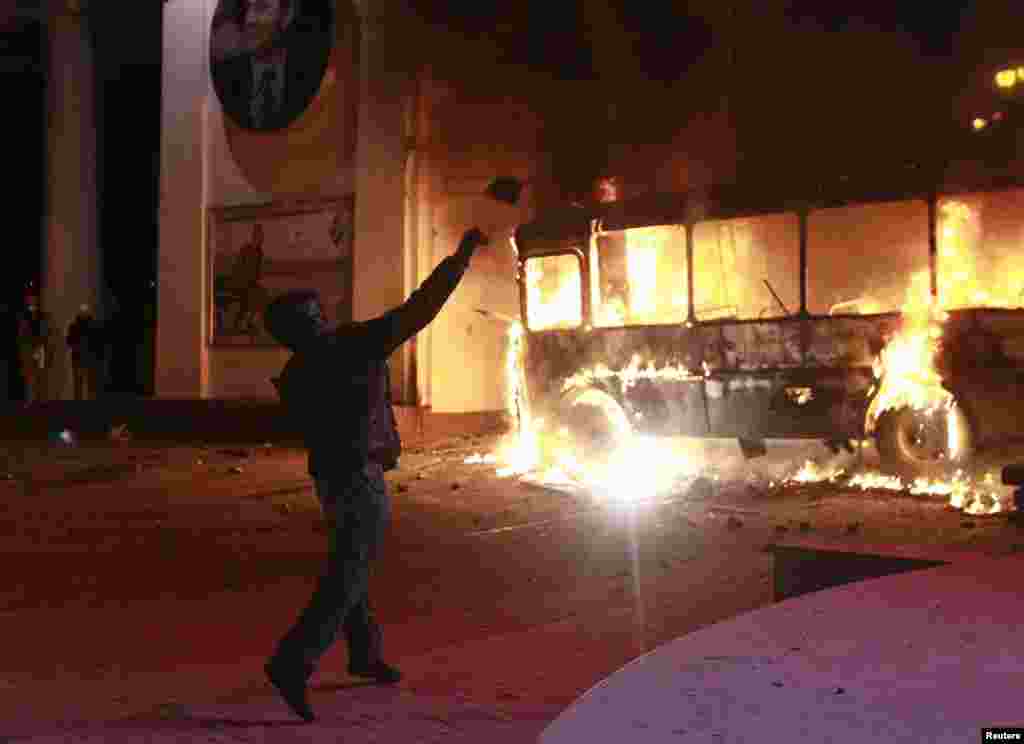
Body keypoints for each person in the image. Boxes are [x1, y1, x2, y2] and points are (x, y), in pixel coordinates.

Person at [261, 226, 491, 722]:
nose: (325, 316)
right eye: (317, 312)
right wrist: (461, 257)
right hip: (358, 476)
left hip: (330, 478)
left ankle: (364, 653)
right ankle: (292, 663)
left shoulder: (298, 371)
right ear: (310, 322)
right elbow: (419, 309)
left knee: (353, 560)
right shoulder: (350, 346)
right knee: (349, 572)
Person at [210, 0, 333, 131]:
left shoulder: (312, 74)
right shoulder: (225, 77)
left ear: (286, 17)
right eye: (247, 8)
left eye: (261, 7)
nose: (249, 19)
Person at [66, 304, 102, 401]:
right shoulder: (77, 326)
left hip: (85, 356)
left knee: (85, 382)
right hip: (81, 356)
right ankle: (83, 402)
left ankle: (85, 402)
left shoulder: (90, 326)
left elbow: (98, 342)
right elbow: (69, 341)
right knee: (81, 382)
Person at [17, 296, 49, 404]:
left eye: (34, 301)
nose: (32, 303)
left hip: (39, 347)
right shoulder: (25, 317)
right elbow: (22, 334)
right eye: (30, 301)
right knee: (30, 375)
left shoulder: (41, 316)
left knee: (40, 374)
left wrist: (41, 345)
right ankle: (31, 400)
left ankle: (40, 400)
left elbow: (45, 332)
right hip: (29, 348)